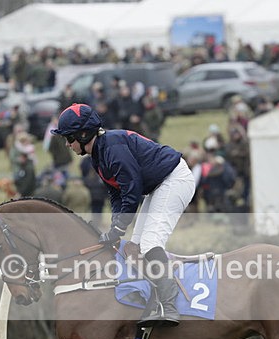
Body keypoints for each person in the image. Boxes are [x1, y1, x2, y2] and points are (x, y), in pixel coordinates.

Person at [51, 103, 196, 327]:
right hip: (158, 185)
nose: (67, 144)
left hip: (174, 180)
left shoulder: (112, 148)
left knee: (149, 245)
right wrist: (115, 229)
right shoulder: (98, 155)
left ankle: (169, 305)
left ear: (83, 133)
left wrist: (118, 228)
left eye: (69, 138)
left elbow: (132, 189)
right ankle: (154, 301)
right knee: (134, 249)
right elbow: (116, 194)